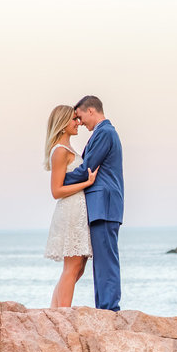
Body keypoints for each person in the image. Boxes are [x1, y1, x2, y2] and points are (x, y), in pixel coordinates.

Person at [62, 95, 124, 311]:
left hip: (103, 204)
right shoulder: (104, 132)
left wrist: (61, 179)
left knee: (106, 260)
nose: (80, 122)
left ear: (91, 111)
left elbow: (88, 168)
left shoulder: (105, 132)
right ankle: (105, 308)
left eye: (80, 117)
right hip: (102, 205)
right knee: (103, 260)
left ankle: (109, 309)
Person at [43, 104, 97, 307]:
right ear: (63, 123)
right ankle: (62, 315)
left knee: (79, 266)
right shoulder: (60, 151)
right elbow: (56, 191)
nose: (78, 123)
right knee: (72, 266)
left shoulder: (68, 148)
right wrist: (87, 182)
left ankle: (55, 311)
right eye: (74, 119)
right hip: (70, 210)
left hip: (78, 209)